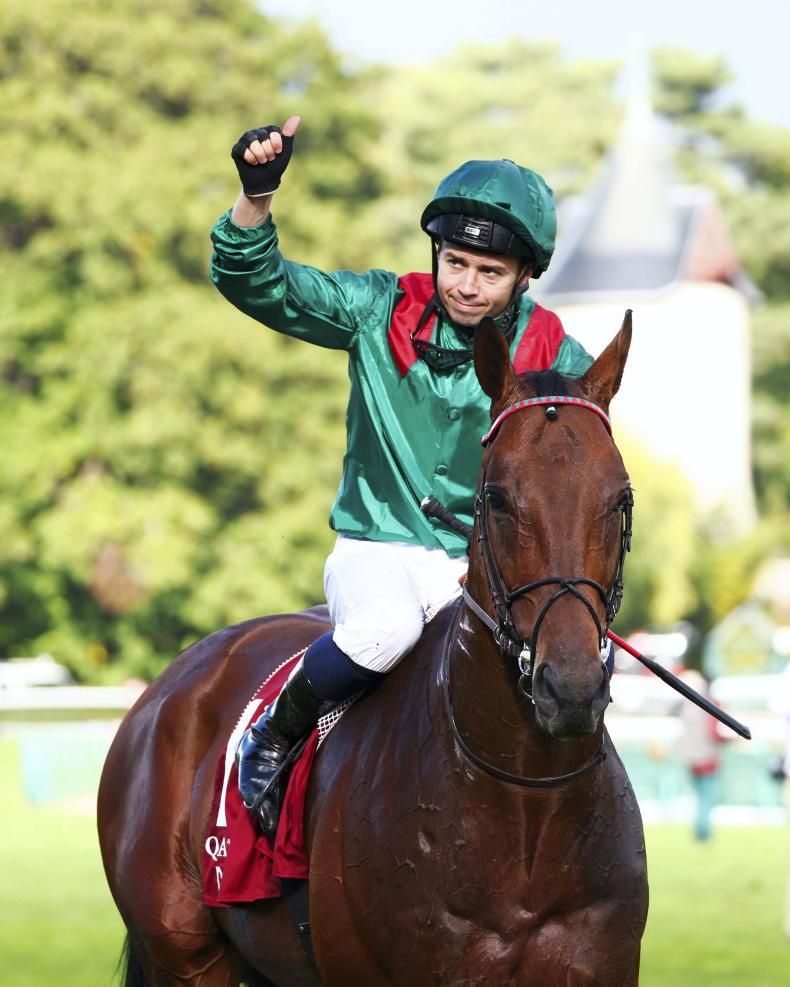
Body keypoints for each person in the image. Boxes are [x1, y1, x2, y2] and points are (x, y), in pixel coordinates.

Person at [210, 116, 595, 834]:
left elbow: (575, 479)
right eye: (455, 263)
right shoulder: (375, 308)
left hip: (481, 566)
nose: (467, 286)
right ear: (436, 253)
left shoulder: (556, 355)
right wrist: (256, 197)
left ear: (524, 277)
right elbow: (254, 281)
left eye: (490, 273)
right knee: (385, 631)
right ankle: (274, 732)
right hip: (376, 549)